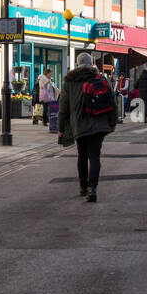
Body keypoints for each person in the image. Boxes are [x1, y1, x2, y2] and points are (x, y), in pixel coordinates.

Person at [57, 52, 119, 202]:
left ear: (78, 64)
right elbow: (113, 102)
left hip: (79, 125)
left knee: (82, 156)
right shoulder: (100, 78)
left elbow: (63, 107)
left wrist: (60, 128)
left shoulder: (70, 81)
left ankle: (83, 187)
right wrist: (112, 123)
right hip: (100, 125)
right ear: (91, 63)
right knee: (95, 156)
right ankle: (93, 189)